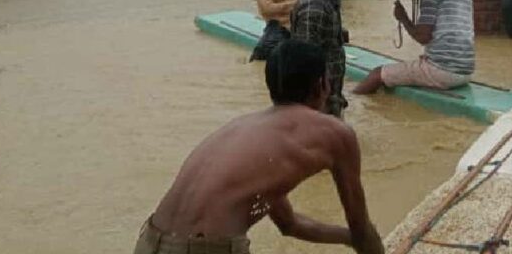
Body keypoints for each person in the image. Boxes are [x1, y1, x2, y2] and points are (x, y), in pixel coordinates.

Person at [134, 40, 384, 254]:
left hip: (149, 241)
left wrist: (346, 238)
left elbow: (289, 224)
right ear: (321, 85)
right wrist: (366, 241)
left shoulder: (245, 130)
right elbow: (361, 228)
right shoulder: (335, 133)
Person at [354, 0, 474, 94]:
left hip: (444, 72)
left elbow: (423, 37)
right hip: (466, 72)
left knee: (376, 74)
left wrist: (403, 18)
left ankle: (352, 100)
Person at [290, 0, 362, 118]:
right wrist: (318, 109)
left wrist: (337, 34)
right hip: (317, 104)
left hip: (329, 98)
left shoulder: (329, 1)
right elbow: (304, 64)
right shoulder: (315, 8)